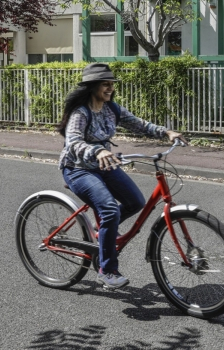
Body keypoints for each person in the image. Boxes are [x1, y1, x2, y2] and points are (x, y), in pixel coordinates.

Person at [56, 63, 188, 289]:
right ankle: (107, 271)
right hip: (78, 169)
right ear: (92, 86)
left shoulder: (112, 109)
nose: (110, 88)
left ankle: (103, 230)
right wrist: (98, 150)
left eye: (111, 84)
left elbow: (139, 124)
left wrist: (166, 132)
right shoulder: (81, 112)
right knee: (108, 209)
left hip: (105, 164)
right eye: (105, 84)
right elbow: (74, 143)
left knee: (135, 202)